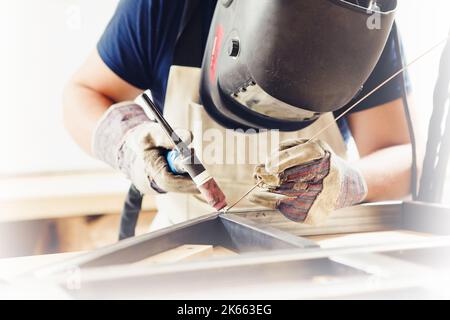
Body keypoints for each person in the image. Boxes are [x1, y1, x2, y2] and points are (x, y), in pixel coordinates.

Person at [63, 0, 413, 230]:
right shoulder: (166, 7)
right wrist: (128, 143)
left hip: (312, 267)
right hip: (190, 268)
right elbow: (84, 94)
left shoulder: (360, 16)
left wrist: (347, 183)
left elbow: (400, 156)